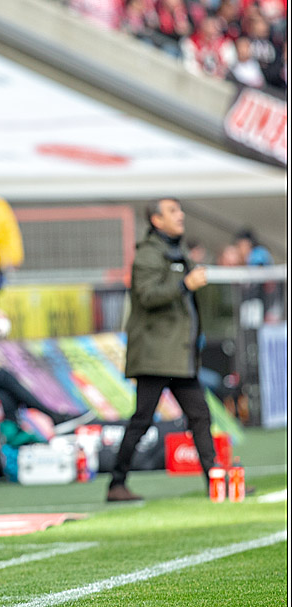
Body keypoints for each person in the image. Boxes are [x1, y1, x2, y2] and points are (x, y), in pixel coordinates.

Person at [108, 199, 215, 502]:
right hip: (156, 355)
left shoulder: (177, 251)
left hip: (179, 355)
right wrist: (185, 284)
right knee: (142, 419)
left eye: (180, 210)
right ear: (156, 220)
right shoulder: (148, 254)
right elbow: (148, 295)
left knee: (200, 416)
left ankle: (215, 481)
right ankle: (116, 483)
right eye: (172, 211)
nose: (180, 215)